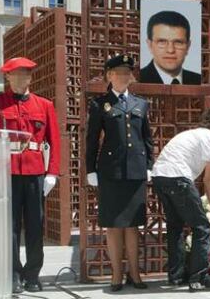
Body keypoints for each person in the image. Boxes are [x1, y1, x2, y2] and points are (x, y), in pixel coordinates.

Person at [0, 57, 61, 293]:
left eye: (26, 74)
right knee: (8, 227)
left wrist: (52, 173)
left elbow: (55, 141)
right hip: (6, 173)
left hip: (34, 173)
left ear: (31, 77)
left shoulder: (44, 105)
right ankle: (12, 274)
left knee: (35, 225)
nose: (22, 78)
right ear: (7, 77)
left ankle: (32, 274)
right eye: (16, 74)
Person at [85, 54, 153, 292]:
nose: (124, 77)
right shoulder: (99, 104)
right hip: (110, 173)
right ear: (109, 75)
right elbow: (91, 140)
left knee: (133, 225)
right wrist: (90, 169)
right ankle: (116, 275)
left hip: (135, 172)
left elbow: (147, 139)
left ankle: (134, 274)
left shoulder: (141, 104)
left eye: (127, 73)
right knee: (113, 225)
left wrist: (149, 166)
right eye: (119, 73)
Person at [152, 107, 210, 292]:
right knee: (202, 227)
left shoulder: (193, 133)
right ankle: (200, 277)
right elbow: (209, 179)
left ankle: (176, 276)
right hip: (178, 178)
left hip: (159, 176)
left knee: (175, 226)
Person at [140, 10, 201, 85]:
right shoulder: (137, 80)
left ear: (188, 46)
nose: (170, 50)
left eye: (178, 42)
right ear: (150, 45)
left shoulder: (199, 81)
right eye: (162, 41)